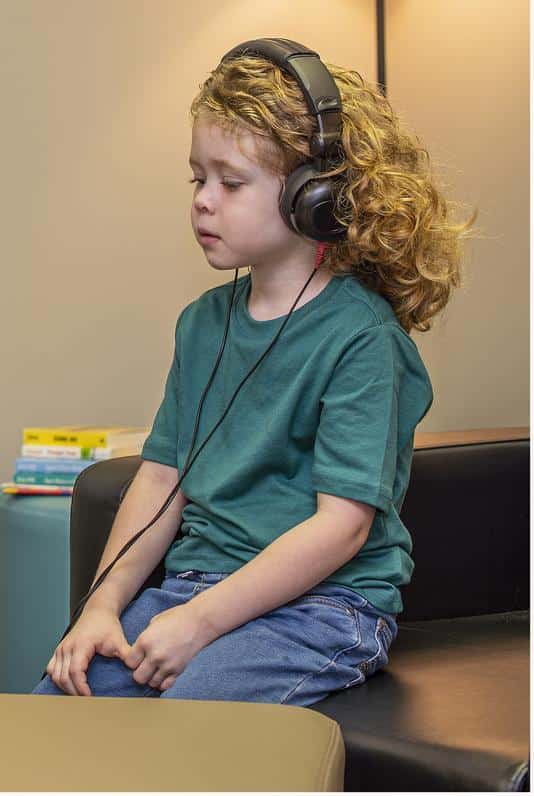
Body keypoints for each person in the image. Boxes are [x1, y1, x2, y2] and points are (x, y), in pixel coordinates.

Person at [36, 39, 470, 705]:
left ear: (315, 196)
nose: (204, 202)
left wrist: (199, 624)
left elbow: (343, 526)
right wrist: (101, 606)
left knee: (190, 721)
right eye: (197, 179)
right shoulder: (203, 323)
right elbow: (161, 477)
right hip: (192, 589)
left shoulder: (362, 339)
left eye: (231, 182)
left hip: (323, 610)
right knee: (63, 703)